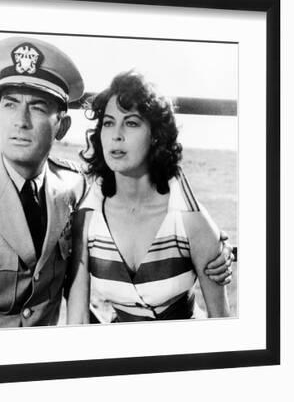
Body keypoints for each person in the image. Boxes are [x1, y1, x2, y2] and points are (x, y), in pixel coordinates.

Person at [0, 38, 232, 332]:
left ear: (62, 127)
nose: (19, 122)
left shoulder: (75, 188)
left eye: (36, 108)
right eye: (9, 105)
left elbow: (143, 179)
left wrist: (213, 247)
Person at [67, 70, 231, 324]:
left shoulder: (190, 221)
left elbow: (222, 322)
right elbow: (76, 322)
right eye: (108, 123)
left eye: (131, 123)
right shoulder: (87, 219)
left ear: (155, 135)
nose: (116, 134)